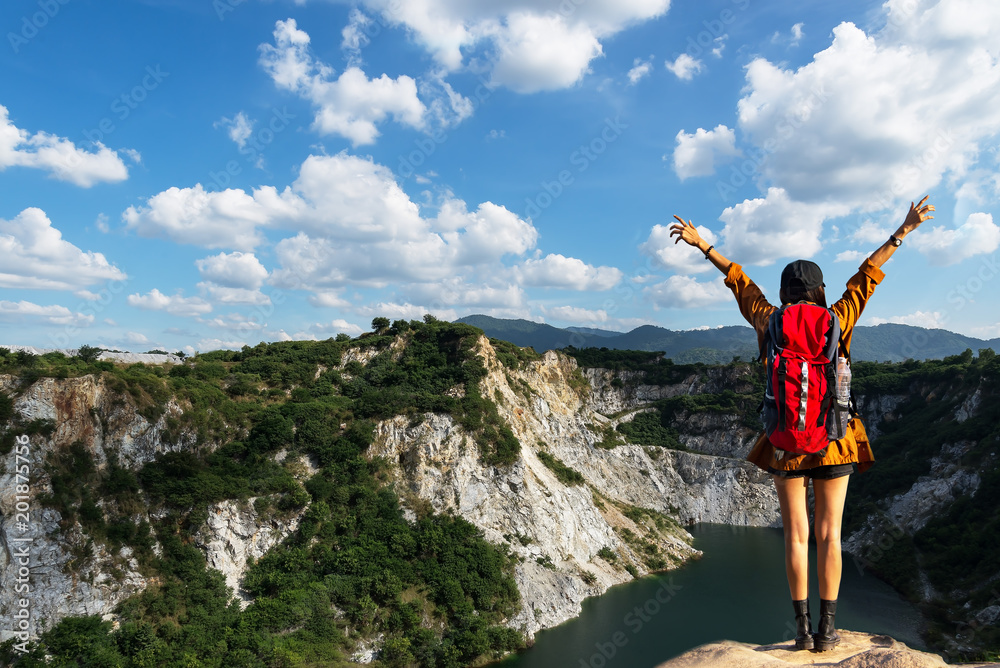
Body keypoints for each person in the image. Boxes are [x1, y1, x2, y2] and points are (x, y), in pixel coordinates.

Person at [668, 196, 934, 651]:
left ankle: (800, 628)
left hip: (785, 441)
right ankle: (828, 632)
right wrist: (902, 230)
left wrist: (703, 245)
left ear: (786, 292)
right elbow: (866, 276)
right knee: (830, 534)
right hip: (835, 439)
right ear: (819, 290)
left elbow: (740, 283)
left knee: (796, 535)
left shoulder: (770, 321)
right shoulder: (836, 319)